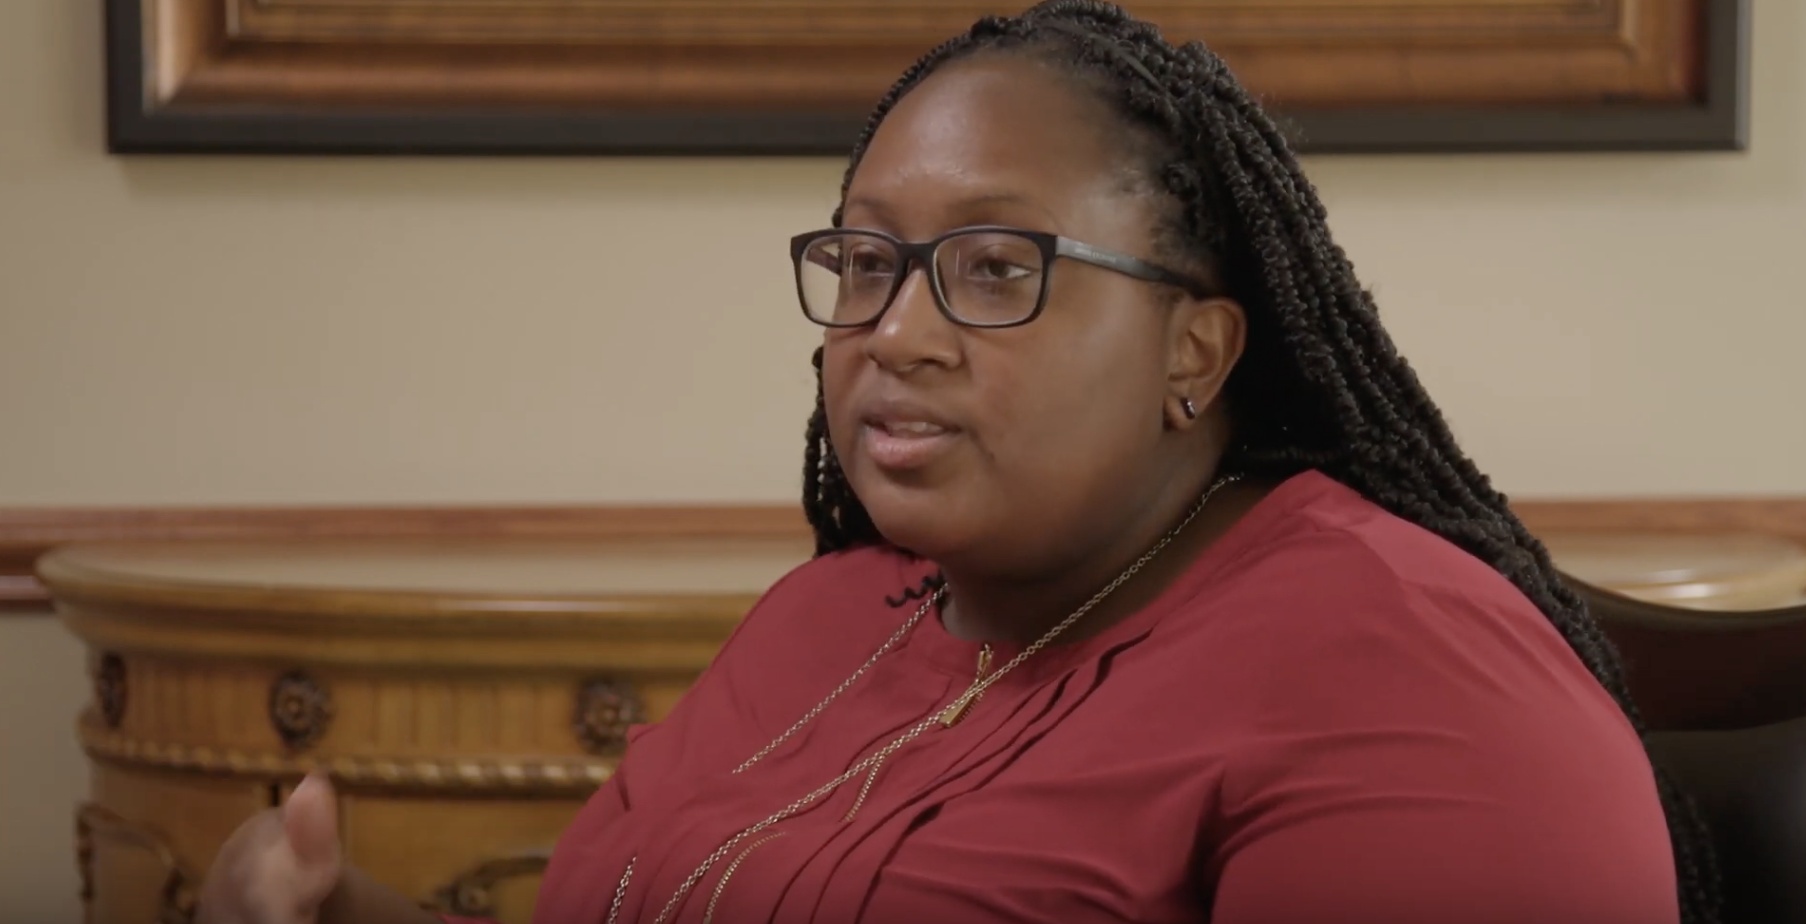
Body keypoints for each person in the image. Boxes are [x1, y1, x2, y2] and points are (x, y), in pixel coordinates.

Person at [195, 2, 1718, 923]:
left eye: (994, 269)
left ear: (1195, 350)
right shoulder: (833, 613)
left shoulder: (1407, 676)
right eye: (864, 262)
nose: (894, 331)